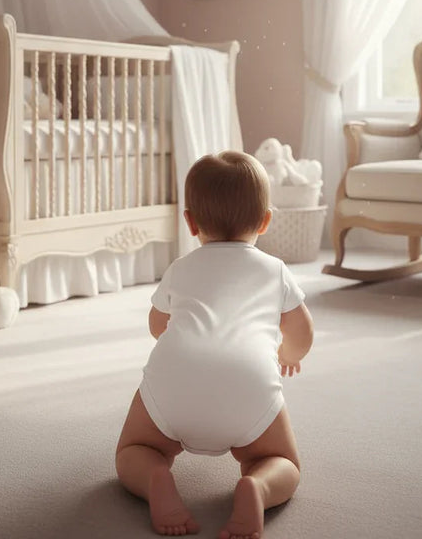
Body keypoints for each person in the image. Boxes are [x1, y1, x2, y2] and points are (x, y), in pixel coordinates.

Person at [115, 151, 314, 539]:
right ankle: (258, 486)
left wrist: (186, 347)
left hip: (172, 386)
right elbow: (302, 330)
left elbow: (157, 324)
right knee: (282, 461)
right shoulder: (275, 270)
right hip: (249, 389)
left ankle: (155, 477)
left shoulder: (180, 268)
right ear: (266, 220)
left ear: (191, 223)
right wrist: (288, 354)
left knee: (132, 451)